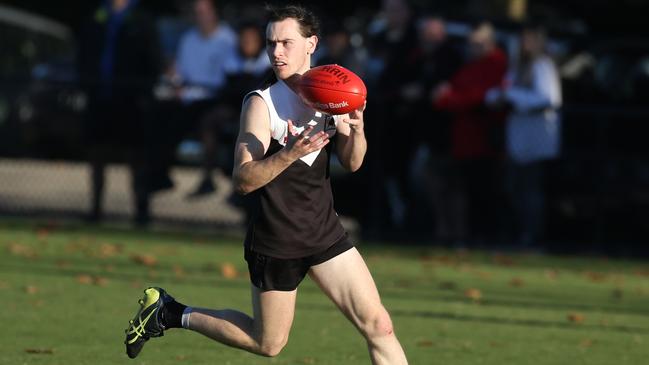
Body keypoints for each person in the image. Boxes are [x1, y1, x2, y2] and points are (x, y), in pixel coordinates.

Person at [123, 5, 409, 365]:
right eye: (271, 43)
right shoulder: (262, 104)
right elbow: (243, 179)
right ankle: (170, 313)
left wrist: (357, 128)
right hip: (278, 238)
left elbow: (353, 162)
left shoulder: (331, 91)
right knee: (268, 343)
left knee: (379, 325)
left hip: (324, 231)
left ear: (311, 44)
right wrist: (288, 154)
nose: (276, 52)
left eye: (286, 43)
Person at [77, 0, 162, 225]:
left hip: (130, 99)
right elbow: (83, 54)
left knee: (136, 157)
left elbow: (153, 61)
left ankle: (141, 210)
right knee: (97, 154)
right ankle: (95, 209)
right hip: (100, 96)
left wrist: (142, 91)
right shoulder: (97, 17)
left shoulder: (142, 21)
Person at [485, 24, 561, 248]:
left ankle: (532, 235)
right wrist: (500, 97)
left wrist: (514, 97)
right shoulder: (517, 67)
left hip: (536, 140)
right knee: (515, 188)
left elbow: (549, 99)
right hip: (518, 139)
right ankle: (520, 232)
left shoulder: (542, 66)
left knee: (530, 190)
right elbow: (499, 92)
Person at [433, 22, 508, 246]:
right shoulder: (471, 66)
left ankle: (485, 237)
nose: (473, 48)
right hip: (465, 142)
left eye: (478, 43)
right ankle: (468, 235)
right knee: (467, 191)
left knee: (484, 193)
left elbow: (479, 98)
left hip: (484, 142)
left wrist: (450, 99)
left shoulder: (496, 64)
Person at [171, 0, 238, 197]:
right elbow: (179, 75)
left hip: (214, 100)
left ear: (215, 13)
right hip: (188, 101)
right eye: (197, 12)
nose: (200, 16)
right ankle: (157, 174)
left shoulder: (228, 40)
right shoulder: (187, 39)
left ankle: (210, 178)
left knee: (209, 122)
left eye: (204, 11)